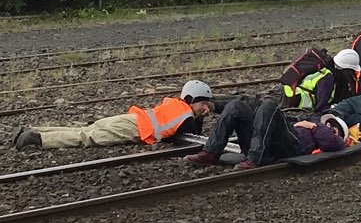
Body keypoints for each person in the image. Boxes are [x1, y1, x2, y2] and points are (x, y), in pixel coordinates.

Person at [14, 80, 215, 150]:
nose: (205, 108)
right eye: (203, 103)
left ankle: (33, 130)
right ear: (191, 100)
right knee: (87, 137)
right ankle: (38, 139)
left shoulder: (174, 103)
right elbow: (192, 133)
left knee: (85, 129)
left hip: (131, 119)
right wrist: (202, 117)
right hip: (133, 129)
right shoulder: (187, 116)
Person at [183, 98, 347, 169]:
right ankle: (210, 153)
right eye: (328, 123)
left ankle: (254, 159)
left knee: (269, 106)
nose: (329, 126)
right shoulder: (312, 120)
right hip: (268, 140)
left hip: (289, 145)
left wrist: (314, 126)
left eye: (333, 127)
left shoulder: (326, 133)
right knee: (236, 106)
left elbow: (334, 144)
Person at [281, 48, 361, 114]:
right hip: (299, 105)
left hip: (292, 96)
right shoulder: (327, 78)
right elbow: (321, 108)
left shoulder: (328, 69)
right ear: (345, 69)